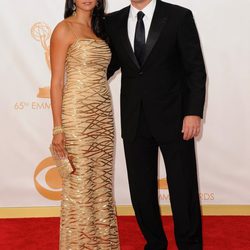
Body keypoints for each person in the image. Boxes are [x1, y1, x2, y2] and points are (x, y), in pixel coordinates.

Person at [106, 0, 206, 249]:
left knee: (183, 189)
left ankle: (189, 245)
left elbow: (195, 69)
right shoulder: (113, 21)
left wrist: (193, 112)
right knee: (141, 191)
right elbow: (107, 66)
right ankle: (154, 243)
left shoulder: (178, 16)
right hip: (134, 118)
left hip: (175, 118)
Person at [50, 0, 120, 249]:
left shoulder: (102, 31)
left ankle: (102, 243)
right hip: (77, 114)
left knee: (100, 181)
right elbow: (57, 82)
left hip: (102, 114)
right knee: (79, 181)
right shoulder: (63, 29)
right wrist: (58, 128)